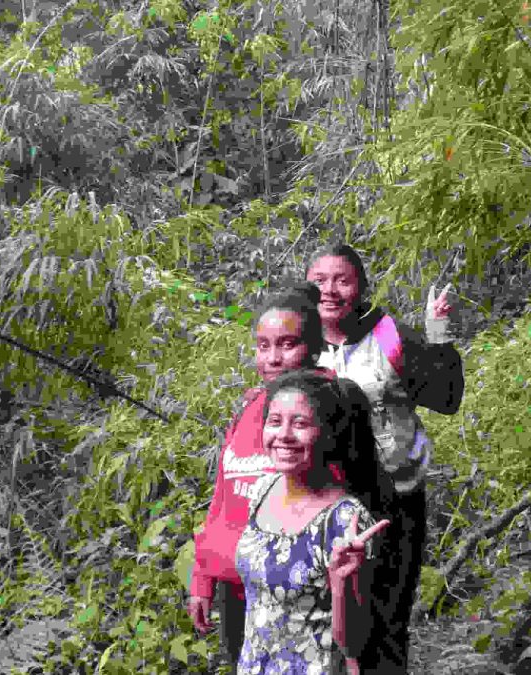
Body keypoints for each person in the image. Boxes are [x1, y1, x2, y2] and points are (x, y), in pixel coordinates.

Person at [305, 243, 464, 674]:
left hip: (396, 498)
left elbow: (446, 398)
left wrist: (437, 337)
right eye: (319, 280)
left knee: (389, 619)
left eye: (342, 279)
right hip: (325, 506)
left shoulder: (387, 334)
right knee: (331, 624)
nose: (330, 290)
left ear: (360, 287)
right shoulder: (298, 346)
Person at [188, 283, 332, 668]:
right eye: (263, 345)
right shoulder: (251, 407)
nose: (272, 358)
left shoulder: (332, 410)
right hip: (237, 589)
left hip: (295, 597)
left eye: (287, 344)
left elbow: (341, 507)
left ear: (313, 348)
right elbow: (223, 497)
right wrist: (203, 577)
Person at [235, 369, 392, 674]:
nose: (283, 435)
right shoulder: (262, 490)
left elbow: (354, 645)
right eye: (275, 421)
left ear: (329, 433)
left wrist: (342, 581)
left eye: (300, 423)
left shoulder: (344, 520)